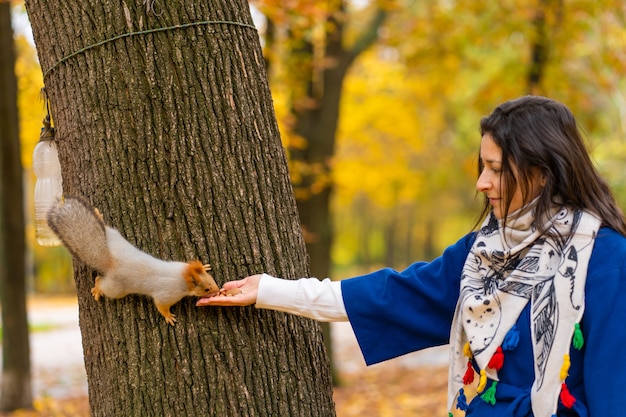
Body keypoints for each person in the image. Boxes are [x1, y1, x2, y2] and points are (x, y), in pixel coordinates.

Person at [197, 95, 626, 417]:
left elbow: (615, 393)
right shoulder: (483, 254)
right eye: (483, 166)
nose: (481, 182)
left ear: (540, 171)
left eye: (496, 168)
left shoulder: (607, 261)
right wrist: (269, 289)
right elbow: (395, 295)